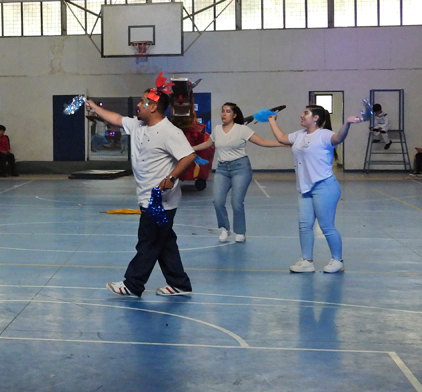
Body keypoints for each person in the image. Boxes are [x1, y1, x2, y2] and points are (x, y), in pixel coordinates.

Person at [84, 83, 197, 297]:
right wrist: (95, 107)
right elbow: (116, 119)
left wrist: (171, 177)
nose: (138, 104)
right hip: (146, 196)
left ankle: (133, 284)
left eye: (143, 101)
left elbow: (188, 156)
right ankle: (179, 283)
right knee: (165, 242)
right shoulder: (137, 125)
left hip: (160, 200)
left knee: (148, 241)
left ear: (153, 107)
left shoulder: (169, 132)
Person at [266, 105, 364, 273]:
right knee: (304, 226)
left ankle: (337, 260)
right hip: (305, 188)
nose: (301, 115)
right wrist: (272, 121)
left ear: (316, 118)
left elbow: (338, 138)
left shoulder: (324, 134)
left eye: (306, 113)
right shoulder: (299, 135)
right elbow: (282, 138)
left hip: (324, 186)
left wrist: (347, 124)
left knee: (326, 226)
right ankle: (307, 261)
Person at [191, 102, 284, 243]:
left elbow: (261, 141)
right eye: (223, 111)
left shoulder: (242, 129)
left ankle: (240, 232)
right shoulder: (217, 129)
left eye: (228, 111)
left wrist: (282, 143)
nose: (224, 114)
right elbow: (208, 143)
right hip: (222, 169)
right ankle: (224, 228)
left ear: (234, 115)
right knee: (217, 201)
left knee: (236, 202)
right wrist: (191, 148)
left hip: (240, 168)